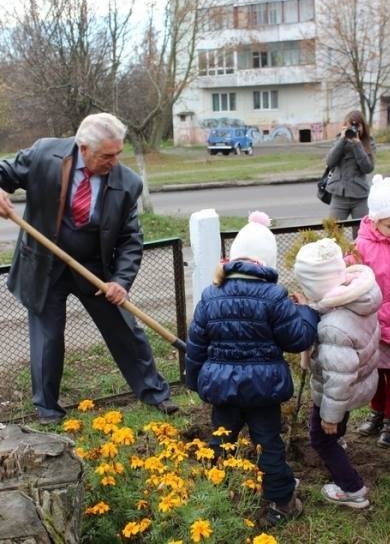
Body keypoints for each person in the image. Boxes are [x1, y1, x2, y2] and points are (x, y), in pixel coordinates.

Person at [0, 112, 178, 424]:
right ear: (83, 148)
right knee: (47, 338)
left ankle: (155, 393)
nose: (114, 161)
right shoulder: (45, 155)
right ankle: (48, 410)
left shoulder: (127, 183)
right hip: (44, 265)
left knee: (126, 330)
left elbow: (131, 239)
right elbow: (5, 172)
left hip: (96, 269)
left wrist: (120, 281)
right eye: (107, 156)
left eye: (118, 153)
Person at [185, 211, 319, 526]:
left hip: (222, 387)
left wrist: (195, 381)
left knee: (221, 439)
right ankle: (282, 502)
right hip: (263, 389)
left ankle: (215, 492)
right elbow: (297, 339)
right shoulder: (274, 296)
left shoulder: (211, 295)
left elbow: (196, 344)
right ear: (267, 260)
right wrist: (306, 312)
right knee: (268, 443)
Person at [293, 238, 381, 509]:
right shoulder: (357, 297)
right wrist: (308, 305)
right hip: (360, 383)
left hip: (338, 393)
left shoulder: (333, 328)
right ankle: (338, 437)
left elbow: (339, 378)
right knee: (335, 430)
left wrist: (330, 416)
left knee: (321, 438)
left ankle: (352, 489)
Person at [347, 175, 390, 447]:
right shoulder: (363, 245)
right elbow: (355, 272)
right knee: (376, 372)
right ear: (375, 221)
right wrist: (347, 266)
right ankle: (377, 413)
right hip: (376, 323)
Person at [325, 110, 375, 222]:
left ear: (363, 126)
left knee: (361, 231)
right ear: (344, 126)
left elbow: (368, 168)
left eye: (357, 125)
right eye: (350, 125)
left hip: (360, 195)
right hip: (339, 194)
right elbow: (330, 162)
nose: (354, 128)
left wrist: (357, 145)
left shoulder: (368, 142)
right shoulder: (339, 140)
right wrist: (342, 141)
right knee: (334, 229)